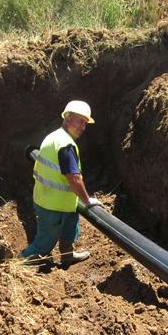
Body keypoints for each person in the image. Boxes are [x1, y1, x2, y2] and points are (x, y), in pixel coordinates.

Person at [20, 100, 102, 267]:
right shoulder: (65, 145)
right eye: (80, 121)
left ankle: (67, 255)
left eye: (85, 123)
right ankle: (17, 264)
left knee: (70, 229)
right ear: (68, 119)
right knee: (44, 244)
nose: (83, 127)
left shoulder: (54, 137)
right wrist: (87, 201)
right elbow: (74, 178)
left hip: (57, 201)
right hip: (53, 206)